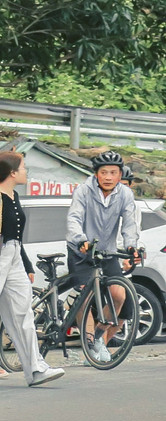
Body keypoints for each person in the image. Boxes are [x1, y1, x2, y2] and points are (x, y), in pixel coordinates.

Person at [0, 152, 66, 386]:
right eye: (23, 167)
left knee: (23, 313)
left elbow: (16, 236)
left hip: (15, 256)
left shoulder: (14, 195)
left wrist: (27, 264)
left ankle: (35, 368)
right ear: (12, 172)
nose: (26, 171)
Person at [65, 150, 142, 361]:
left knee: (119, 295)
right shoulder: (83, 191)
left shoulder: (125, 195)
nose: (108, 177)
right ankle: (89, 342)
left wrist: (131, 247)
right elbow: (74, 218)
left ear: (120, 175)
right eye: (104, 172)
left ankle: (99, 336)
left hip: (107, 253)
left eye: (113, 173)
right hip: (81, 251)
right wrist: (80, 240)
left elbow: (129, 224)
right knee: (85, 295)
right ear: (96, 174)